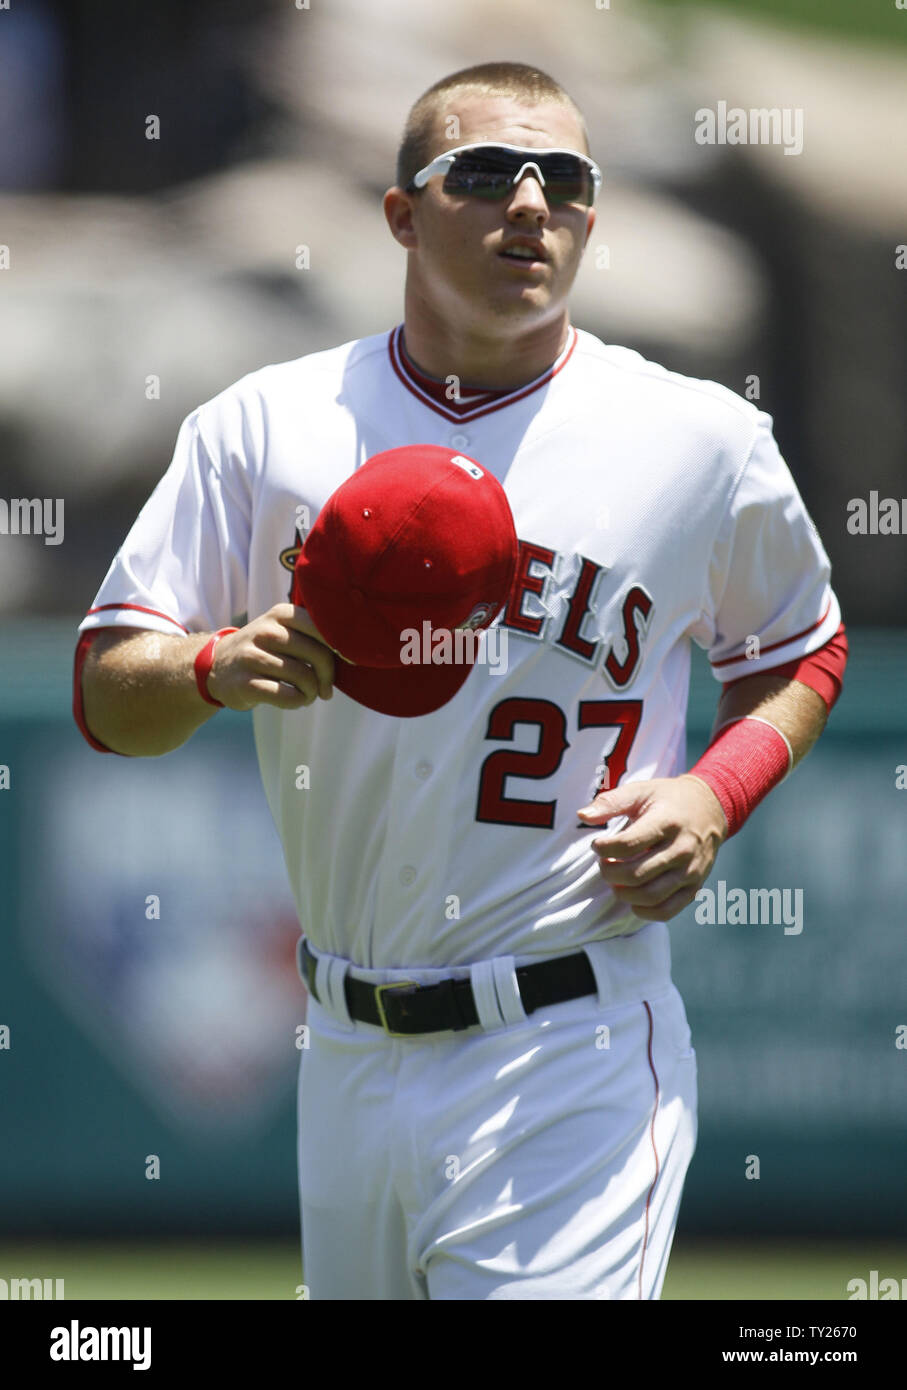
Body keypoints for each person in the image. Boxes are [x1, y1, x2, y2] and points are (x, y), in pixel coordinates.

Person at [74, 61, 848, 1300]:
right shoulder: (267, 426)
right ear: (400, 214)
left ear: (593, 220)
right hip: (343, 1050)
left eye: (567, 184)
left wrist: (716, 792)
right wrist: (214, 668)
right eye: (485, 174)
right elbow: (111, 690)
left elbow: (802, 647)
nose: (530, 207)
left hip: (571, 1044)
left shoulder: (696, 440)